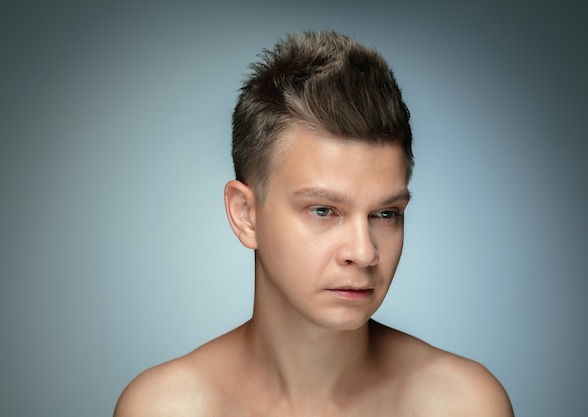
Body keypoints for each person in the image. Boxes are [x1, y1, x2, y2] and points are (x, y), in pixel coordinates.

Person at [113, 30, 514, 416]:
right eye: (323, 210)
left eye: (386, 214)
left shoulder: (462, 406)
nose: (364, 252)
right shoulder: (166, 409)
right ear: (245, 215)